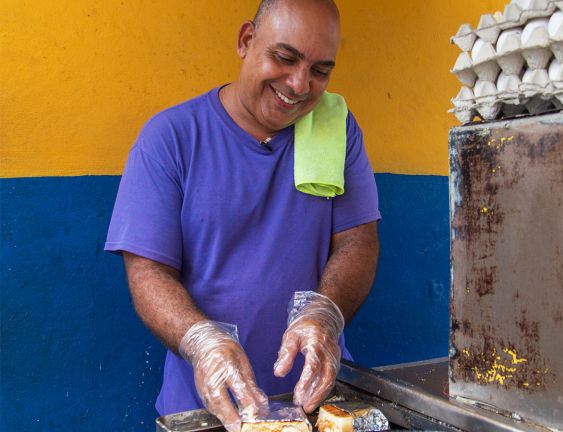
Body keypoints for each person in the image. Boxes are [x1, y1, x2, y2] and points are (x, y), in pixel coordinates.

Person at [105, 0, 380, 430]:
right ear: (246, 40)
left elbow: (357, 240)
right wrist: (202, 343)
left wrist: (324, 314)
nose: (299, 84)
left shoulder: (334, 130)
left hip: (318, 405)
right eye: (284, 58)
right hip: (209, 409)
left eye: (320, 70)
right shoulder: (171, 138)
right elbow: (148, 272)